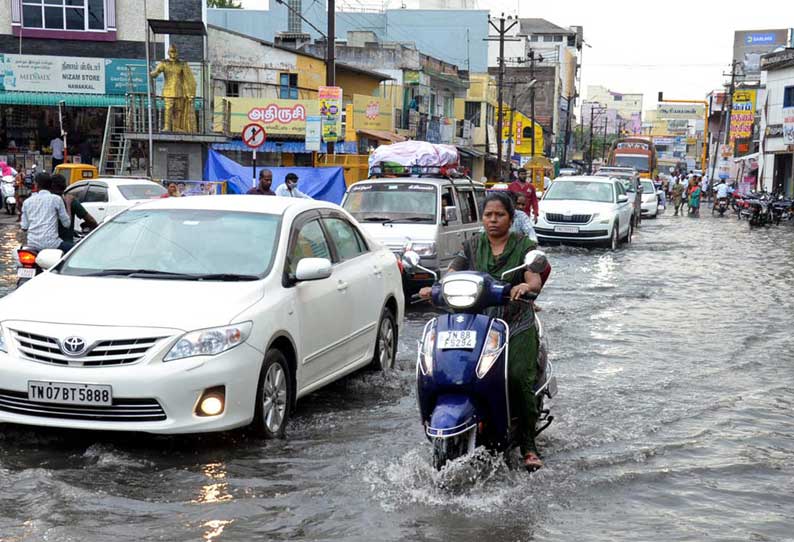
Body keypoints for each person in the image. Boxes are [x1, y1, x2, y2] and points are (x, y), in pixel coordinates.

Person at [419, 192, 547, 470]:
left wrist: (526, 287)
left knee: (515, 377)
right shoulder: (472, 245)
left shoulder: (524, 246)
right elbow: (452, 272)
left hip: (514, 324)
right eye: (488, 215)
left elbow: (534, 277)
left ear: (511, 219)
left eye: (499, 215)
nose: (493, 220)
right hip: (477, 323)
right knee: (444, 371)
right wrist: (436, 288)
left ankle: (528, 445)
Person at [19, 172, 70, 251]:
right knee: (77, 250)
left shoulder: (27, 202)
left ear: (36, 185)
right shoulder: (56, 199)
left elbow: (24, 227)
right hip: (53, 245)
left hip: (32, 245)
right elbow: (67, 224)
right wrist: (68, 204)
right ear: (50, 185)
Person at [51, 174, 98, 251]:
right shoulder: (70, 200)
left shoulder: (44, 201)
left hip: (43, 243)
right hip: (64, 244)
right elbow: (90, 220)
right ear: (65, 186)